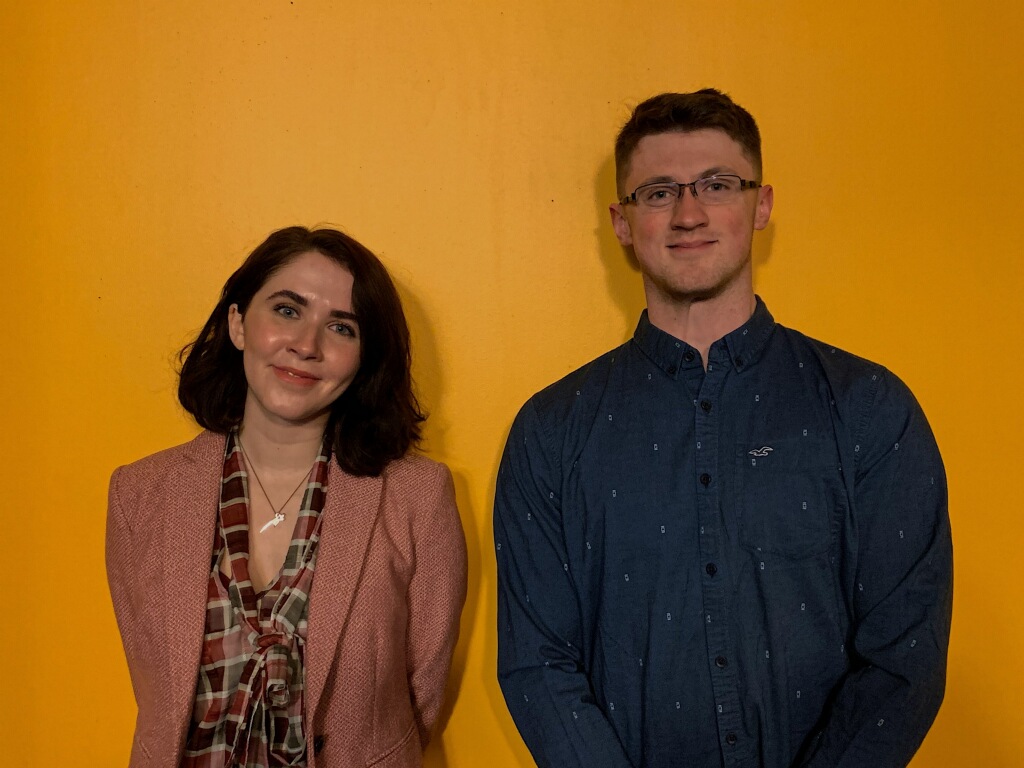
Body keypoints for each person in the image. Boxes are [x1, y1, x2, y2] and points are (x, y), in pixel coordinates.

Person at [494, 90, 952, 768]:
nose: (688, 213)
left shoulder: (869, 408)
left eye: (716, 184)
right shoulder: (550, 430)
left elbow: (902, 659)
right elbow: (538, 664)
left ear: (760, 205)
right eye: (657, 192)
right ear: (621, 223)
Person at [107, 226, 467, 768]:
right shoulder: (140, 495)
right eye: (287, 310)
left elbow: (422, 696)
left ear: (365, 357)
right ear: (237, 323)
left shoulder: (417, 497)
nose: (307, 345)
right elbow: (156, 688)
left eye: (341, 327)